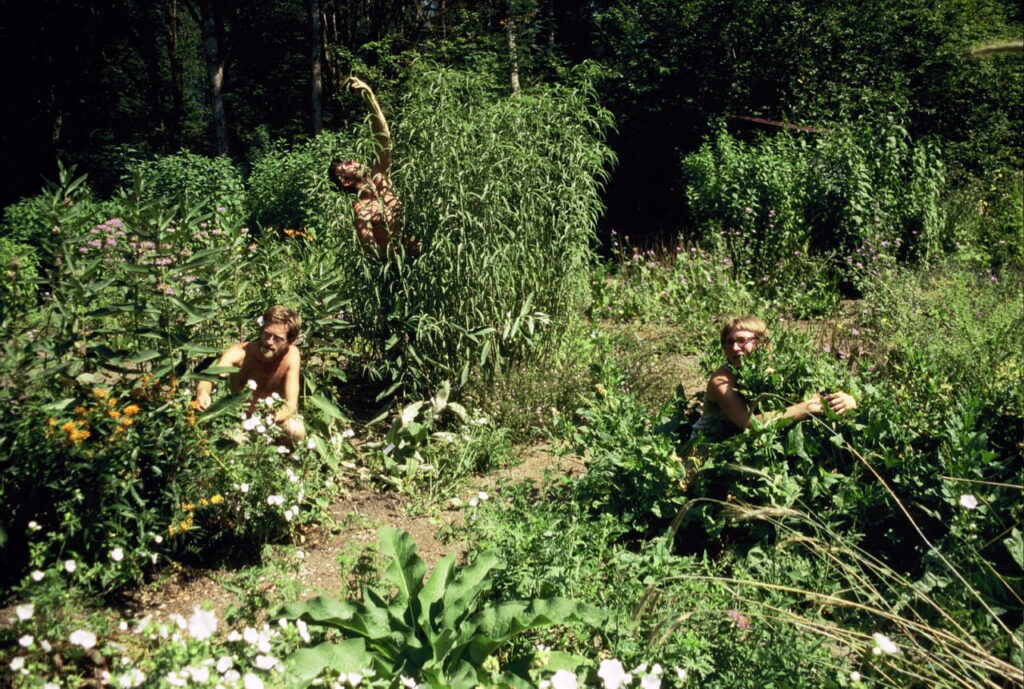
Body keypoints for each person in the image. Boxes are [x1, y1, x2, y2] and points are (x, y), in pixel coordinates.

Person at [690, 315, 857, 443]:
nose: (734, 348)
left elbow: (816, 394)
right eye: (729, 343)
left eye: (742, 341)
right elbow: (750, 424)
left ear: (763, 342)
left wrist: (847, 400)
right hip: (706, 449)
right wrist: (807, 407)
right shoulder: (721, 380)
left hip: (744, 445)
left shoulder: (774, 371)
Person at [194, 305, 305, 443]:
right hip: (239, 419)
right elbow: (209, 378)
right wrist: (203, 392)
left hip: (273, 418)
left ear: (290, 341)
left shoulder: (291, 356)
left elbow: (290, 406)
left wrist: (263, 422)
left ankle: (286, 461)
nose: (269, 341)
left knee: (295, 429)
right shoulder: (240, 353)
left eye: (277, 338)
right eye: (266, 334)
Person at [329, 75, 405, 254]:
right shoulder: (361, 209)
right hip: (399, 273)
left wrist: (369, 96)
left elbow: (384, 139)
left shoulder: (380, 176)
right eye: (347, 164)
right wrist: (400, 252)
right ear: (345, 181)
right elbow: (372, 252)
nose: (353, 160)